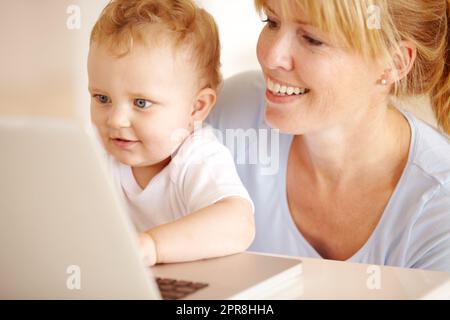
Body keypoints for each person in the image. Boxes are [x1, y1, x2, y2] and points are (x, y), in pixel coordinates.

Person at [208, 0, 450, 272]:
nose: (271, 56)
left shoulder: (439, 211)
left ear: (392, 63)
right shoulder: (231, 114)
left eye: (312, 39)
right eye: (272, 22)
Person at [88, 0, 255, 267]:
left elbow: (238, 224)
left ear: (196, 108)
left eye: (141, 103)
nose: (116, 119)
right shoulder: (97, 152)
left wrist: (152, 246)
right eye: (102, 98)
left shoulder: (197, 156)